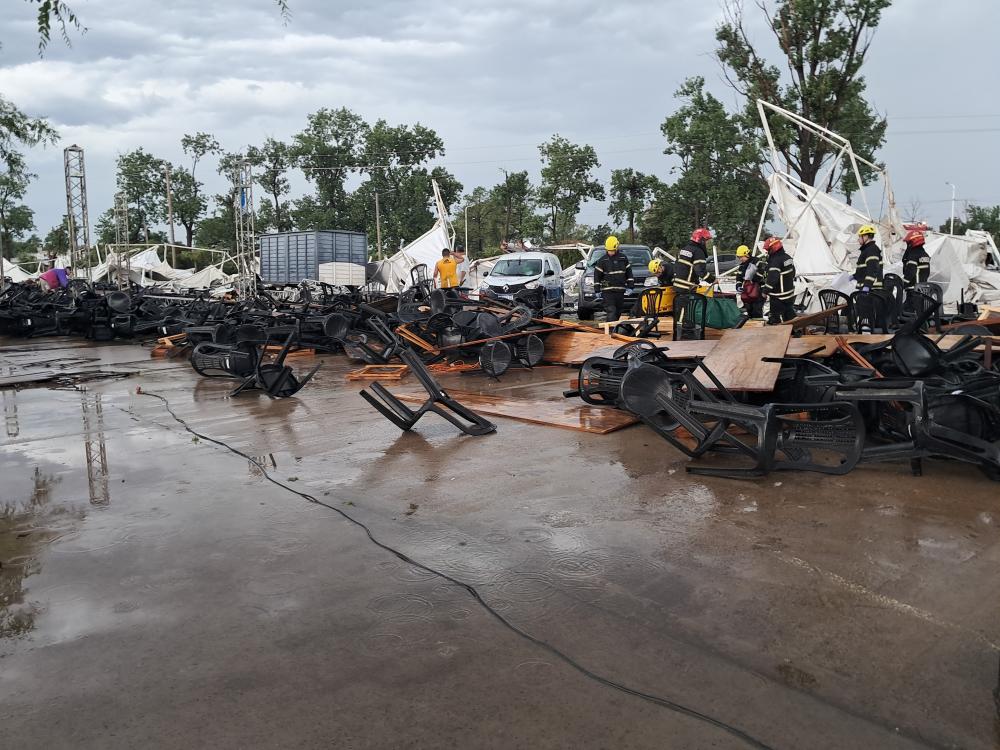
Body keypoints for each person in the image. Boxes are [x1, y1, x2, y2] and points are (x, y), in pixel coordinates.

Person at [593, 235, 633, 322]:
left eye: (612, 250)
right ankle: (610, 332)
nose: (611, 252)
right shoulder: (602, 261)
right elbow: (597, 276)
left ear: (617, 247)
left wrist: (630, 286)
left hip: (620, 291)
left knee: (618, 312)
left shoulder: (623, 258)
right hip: (607, 291)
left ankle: (613, 329)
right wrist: (597, 289)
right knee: (612, 311)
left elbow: (629, 273)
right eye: (609, 250)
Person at [762, 237, 797, 324]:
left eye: (768, 250)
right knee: (788, 315)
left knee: (774, 317)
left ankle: (776, 335)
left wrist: (765, 291)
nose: (767, 252)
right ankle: (795, 330)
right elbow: (793, 273)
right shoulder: (787, 257)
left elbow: (772, 278)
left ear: (773, 248)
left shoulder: (775, 261)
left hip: (778, 295)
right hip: (789, 293)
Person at [672, 227, 712, 294]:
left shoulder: (684, 249)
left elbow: (677, 265)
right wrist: (712, 279)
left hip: (677, 287)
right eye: (706, 240)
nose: (707, 243)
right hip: (688, 288)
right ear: (701, 240)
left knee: (680, 304)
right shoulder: (698, 252)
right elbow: (700, 271)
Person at [735, 245, 765, 319]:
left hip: (758, 290)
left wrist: (753, 280)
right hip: (748, 291)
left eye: (741, 257)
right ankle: (752, 325)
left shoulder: (757, 261)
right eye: (739, 257)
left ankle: (758, 327)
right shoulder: (742, 266)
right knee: (749, 310)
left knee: (757, 310)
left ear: (747, 254)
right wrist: (738, 286)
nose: (740, 259)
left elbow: (763, 271)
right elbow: (738, 278)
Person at [854, 224, 883, 291]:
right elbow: (864, 269)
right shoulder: (867, 250)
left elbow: (873, 269)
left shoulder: (872, 250)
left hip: (872, 289)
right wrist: (855, 276)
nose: (858, 239)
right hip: (866, 287)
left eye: (859, 237)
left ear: (866, 236)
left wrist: (867, 286)